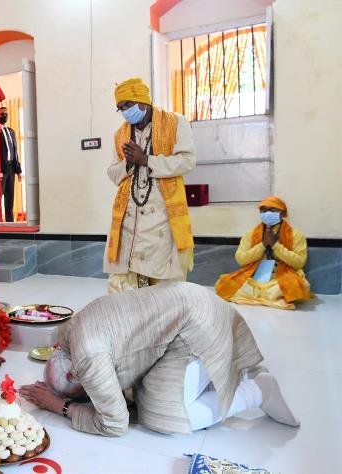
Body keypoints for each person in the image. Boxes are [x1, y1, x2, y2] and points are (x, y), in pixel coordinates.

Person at [19, 282, 299, 437]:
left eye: (84, 390)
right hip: (190, 304)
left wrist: (60, 405)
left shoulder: (88, 359)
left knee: (159, 416)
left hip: (196, 325)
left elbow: (114, 424)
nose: (88, 393)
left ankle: (257, 391)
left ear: (74, 374)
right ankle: (213, 377)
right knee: (142, 394)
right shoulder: (72, 333)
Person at [103, 77, 196, 293]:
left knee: (163, 280)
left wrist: (146, 160)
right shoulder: (120, 134)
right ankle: (135, 321)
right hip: (129, 217)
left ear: (142, 101)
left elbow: (187, 161)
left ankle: (162, 322)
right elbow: (112, 172)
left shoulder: (175, 122)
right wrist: (128, 163)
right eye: (120, 108)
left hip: (162, 215)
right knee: (127, 280)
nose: (124, 111)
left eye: (127, 105)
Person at [216, 196, 312, 310]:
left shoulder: (296, 235)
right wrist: (262, 245)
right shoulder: (250, 234)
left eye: (272, 210)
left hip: (281, 276)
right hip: (255, 276)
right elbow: (241, 259)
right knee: (224, 283)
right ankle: (272, 297)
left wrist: (275, 246)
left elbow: (299, 263)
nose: (267, 213)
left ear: (282, 213)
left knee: (297, 285)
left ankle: (262, 295)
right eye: (264, 210)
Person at [0, 106, 22, 222]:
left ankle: (10, 221)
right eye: (2, 114)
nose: (4, 116)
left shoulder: (11, 131)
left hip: (11, 168)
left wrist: (19, 170)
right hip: (1, 169)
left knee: (10, 197)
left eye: (6, 114)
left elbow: (15, 151)